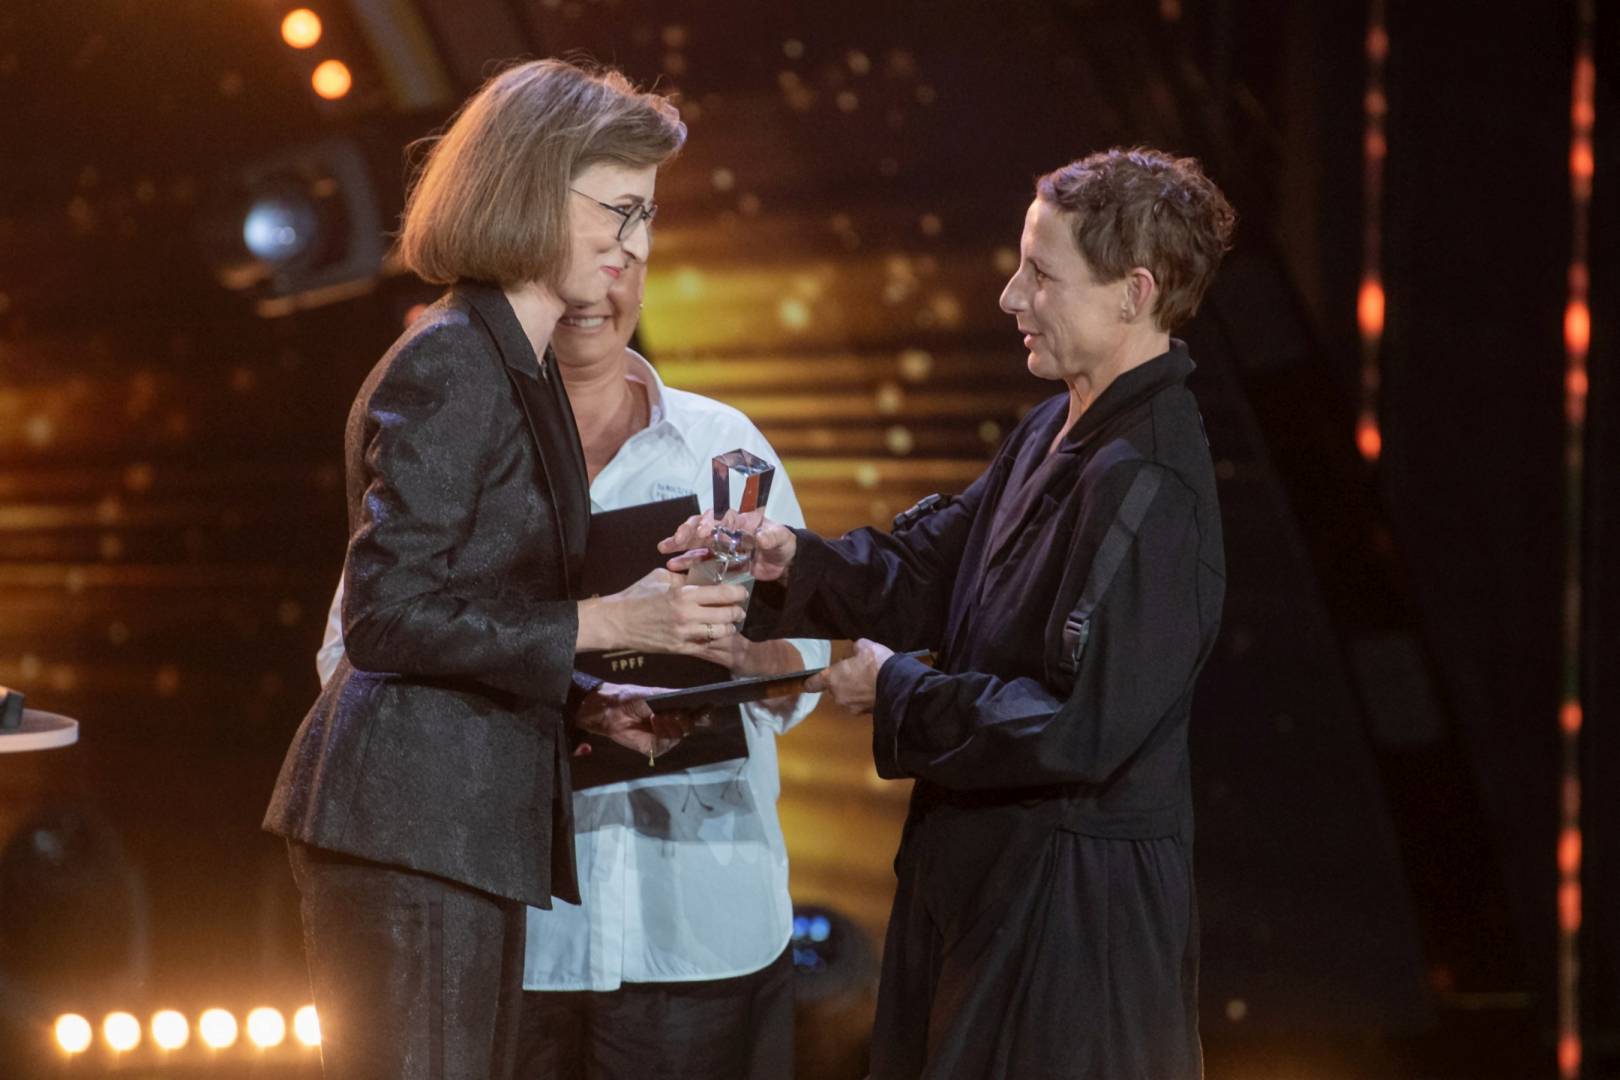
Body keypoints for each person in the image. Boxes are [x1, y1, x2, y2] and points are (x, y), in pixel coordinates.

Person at [663, 146, 1236, 1079]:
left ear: (1134, 293)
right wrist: (791, 558)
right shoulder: (1057, 428)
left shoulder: (1151, 482)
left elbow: (1074, 726)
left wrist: (898, 688)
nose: (1012, 297)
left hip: (1069, 924)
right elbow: (928, 572)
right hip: (985, 890)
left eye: (1041, 275)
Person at [263, 59, 750, 1080]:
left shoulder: (514, 367)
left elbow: (477, 603)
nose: (635, 245)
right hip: (408, 825)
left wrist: (582, 705)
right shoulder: (454, 359)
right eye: (618, 210)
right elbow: (387, 615)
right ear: (532, 190)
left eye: (647, 216)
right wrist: (614, 623)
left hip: (460, 824)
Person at [315, 258, 827, 1079]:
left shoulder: (721, 442)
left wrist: (728, 653)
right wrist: (565, 698)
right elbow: (357, 649)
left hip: (699, 921)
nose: (592, 293)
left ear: (646, 276)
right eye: (567, 269)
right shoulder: (457, 445)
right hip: (513, 928)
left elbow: (807, 655)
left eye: (621, 260)